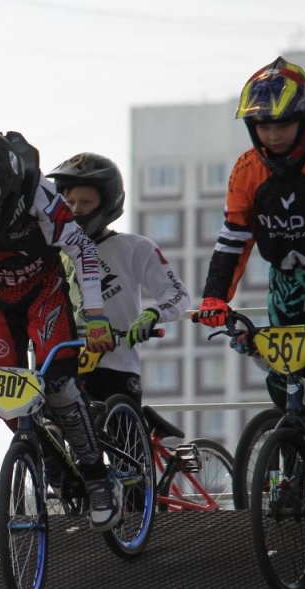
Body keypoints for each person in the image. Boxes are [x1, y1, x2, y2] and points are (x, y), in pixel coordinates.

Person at [0, 128, 121, 532]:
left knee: (60, 386)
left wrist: (97, 317)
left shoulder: (41, 198)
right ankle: (50, 462)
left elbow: (82, 250)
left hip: (43, 293)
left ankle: (97, 477)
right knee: (3, 395)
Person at [197, 57, 305, 402]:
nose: (273, 135)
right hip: (285, 289)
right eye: (263, 125)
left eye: (284, 124)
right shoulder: (246, 170)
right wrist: (215, 296)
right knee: (284, 385)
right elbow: (233, 239)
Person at [47, 152, 190, 406]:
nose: (76, 210)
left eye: (85, 202)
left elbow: (177, 293)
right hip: (62, 362)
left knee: (128, 442)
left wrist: (152, 314)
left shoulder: (134, 247)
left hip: (117, 366)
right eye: (69, 203)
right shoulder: (53, 251)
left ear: (106, 204)